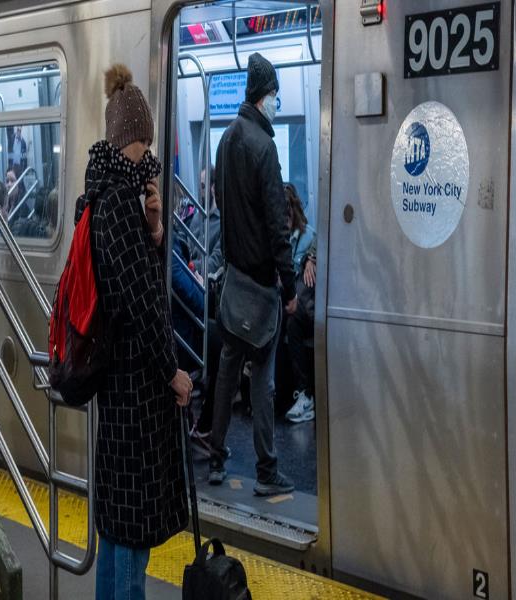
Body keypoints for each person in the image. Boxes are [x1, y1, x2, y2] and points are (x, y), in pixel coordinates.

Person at [88, 63, 190, 600]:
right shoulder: (115, 206)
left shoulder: (112, 199)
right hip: (135, 392)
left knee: (116, 532)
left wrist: (155, 229)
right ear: (124, 141)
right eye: (142, 143)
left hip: (122, 388)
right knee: (131, 535)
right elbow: (143, 304)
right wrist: (171, 371)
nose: (148, 154)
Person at [209, 52, 297, 496]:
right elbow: (278, 223)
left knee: (227, 372)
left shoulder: (225, 141)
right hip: (261, 286)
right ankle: (267, 471)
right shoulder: (265, 147)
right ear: (264, 98)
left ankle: (216, 457)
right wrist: (290, 284)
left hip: (233, 280)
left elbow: (223, 204)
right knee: (263, 380)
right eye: (276, 97)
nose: (278, 105)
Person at [283, 183, 317, 423]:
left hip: (303, 305)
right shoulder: (277, 238)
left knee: (293, 320)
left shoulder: (308, 237)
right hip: (287, 301)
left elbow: (319, 245)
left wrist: (309, 258)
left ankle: (305, 394)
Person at [187, 166, 223, 278]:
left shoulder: (222, 224)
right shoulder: (196, 218)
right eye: (199, 187)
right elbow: (187, 248)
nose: (199, 192)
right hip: (191, 276)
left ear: (213, 188)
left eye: (203, 187)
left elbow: (215, 261)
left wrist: (192, 266)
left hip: (207, 283)